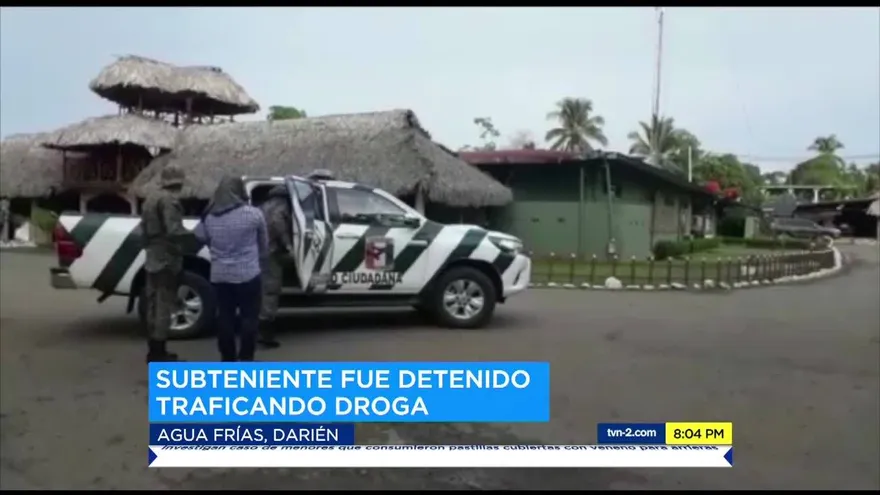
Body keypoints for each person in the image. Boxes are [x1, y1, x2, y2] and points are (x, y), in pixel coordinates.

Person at [194, 176, 268, 362]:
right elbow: (264, 245)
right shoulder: (254, 214)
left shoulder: (209, 217)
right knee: (249, 318)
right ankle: (246, 356)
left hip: (220, 276)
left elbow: (200, 237)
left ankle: (227, 357)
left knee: (225, 318)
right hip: (249, 275)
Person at [140, 166, 190, 363]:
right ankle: (158, 353)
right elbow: (174, 231)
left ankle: (153, 349)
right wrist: (195, 239)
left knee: (152, 304)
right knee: (164, 305)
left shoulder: (150, 199)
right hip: (167, 258)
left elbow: (143, 231)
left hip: (152, 256)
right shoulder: (169, 201)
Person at [257, 185, 293, 349]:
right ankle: (266, 331)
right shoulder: (280, 205)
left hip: (258, 252)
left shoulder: (263, 206)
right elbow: (277, 221)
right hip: (271, 252)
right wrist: (287, 244)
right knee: (271, 289)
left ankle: (261, 324)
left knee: (263, 288)